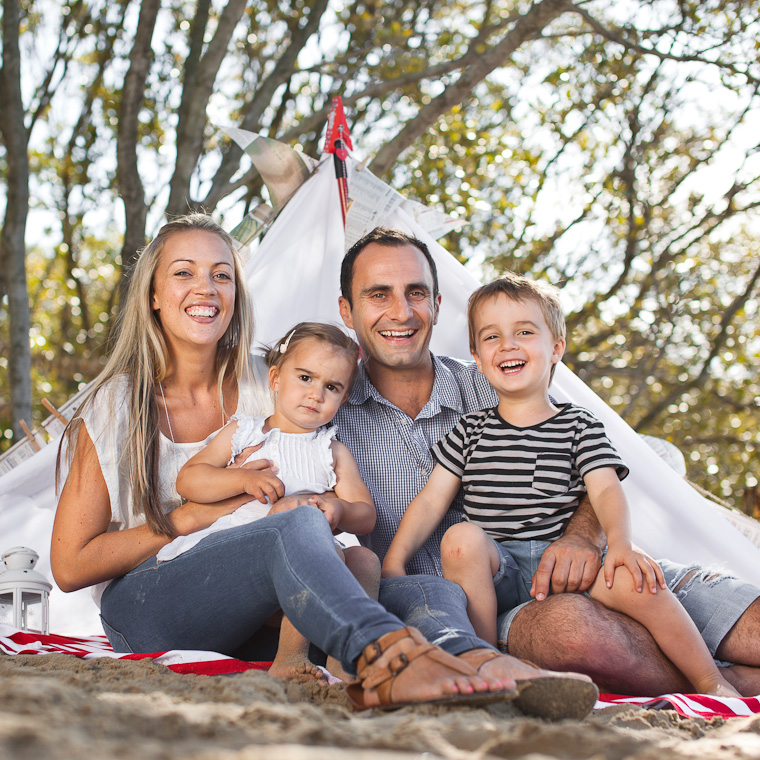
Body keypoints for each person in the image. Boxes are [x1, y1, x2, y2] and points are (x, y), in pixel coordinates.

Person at [49, 213, 525, 712]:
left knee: (417, 586)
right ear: (152, 293)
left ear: (237, 292)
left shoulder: (277, 379)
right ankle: (383, 655)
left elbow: (354, 398)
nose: (205, 288)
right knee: (295, 522)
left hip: (263, 619)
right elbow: (71, 564)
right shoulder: (117, 404)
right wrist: (192, 515)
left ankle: (478, 661)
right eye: (184, 272)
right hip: (153, 608)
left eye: (222, 274)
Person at [334, 226, 760, 696]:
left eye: (416, 292)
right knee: (571, 629)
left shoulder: (497, 384)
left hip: (587, 568)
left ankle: (716, 675)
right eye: (379, 294)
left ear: (437, 305)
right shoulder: (324, 412)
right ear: (346, 311)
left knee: (733, 616)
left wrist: (585, 537)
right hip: (498, 604)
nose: (402, 311)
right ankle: (724, 684)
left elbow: (593, 480)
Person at [164, 321, 380, 683]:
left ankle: (344, 660)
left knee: (366, 560)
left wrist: (341, 510)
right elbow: (189, 480)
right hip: (241, 559)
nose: (316, 394)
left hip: (307, 562)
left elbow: (366, 515)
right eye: (306, 378)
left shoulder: (332, 452)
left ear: (343, 399)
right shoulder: (245, 433)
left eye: (331, 387)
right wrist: (243, 479)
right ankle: (289, 658)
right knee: (322, 547)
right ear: (276, 378)